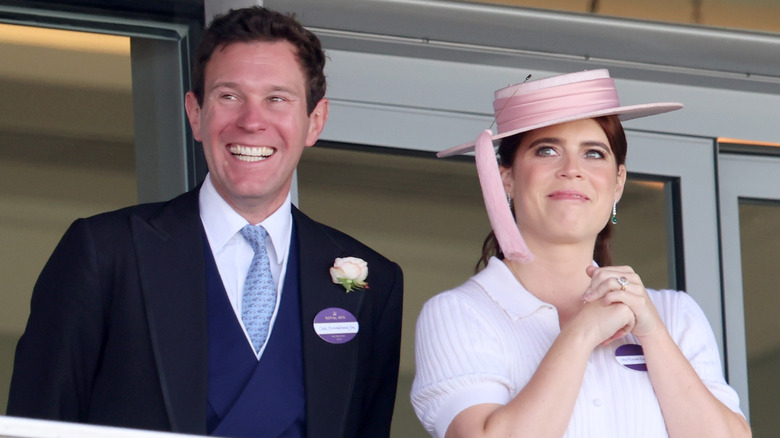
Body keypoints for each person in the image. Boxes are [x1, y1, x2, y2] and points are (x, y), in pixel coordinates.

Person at [7, 6, 403, 438]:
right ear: (196, 114)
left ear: (315, 120)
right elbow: (35, 428)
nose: (252, 122)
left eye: (277, 99)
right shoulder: (105, 254)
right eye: (229, 96)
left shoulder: (373, 283)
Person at [411, 69, 750, 437]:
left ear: (618, 182)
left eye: (593, 153)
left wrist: (652, 333)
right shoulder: (460, 314)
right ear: (506, 177)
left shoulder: (674, 314)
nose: (572, 170)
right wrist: (581, 333)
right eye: (547, 150)